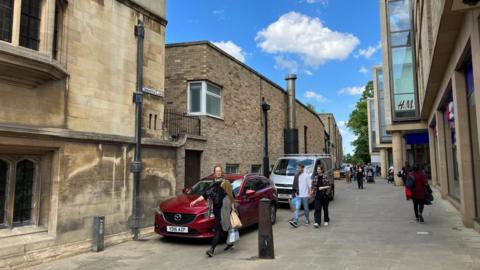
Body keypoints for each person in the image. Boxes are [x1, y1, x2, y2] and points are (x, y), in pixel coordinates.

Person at [190, 165, 235, 257]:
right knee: (224, 227)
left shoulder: (226, 183)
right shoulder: (212, 185)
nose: (218, 172)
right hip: (216, 210)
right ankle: (230, 243)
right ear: (214, 173)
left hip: (224, 210)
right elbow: (205, 195)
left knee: (218, 229)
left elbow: (231, 196)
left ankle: (211, 249)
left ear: (221, 172)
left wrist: (233, 208)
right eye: (216, 171)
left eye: (219, 171)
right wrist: (195, 201)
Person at [289, 163, 312, 227]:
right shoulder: (296, 175)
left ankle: (307, 219)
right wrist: (294, 193)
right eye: (297, 168)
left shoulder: (307, 176)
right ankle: (295, 221)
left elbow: (309, 185)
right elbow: (294, 186)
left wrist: (310, 193)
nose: (297, 169)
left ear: (302, 168)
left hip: (305, 195)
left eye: (299, 168)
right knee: (297, 208)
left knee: (306, 208)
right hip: (298, 195)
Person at [312, 164, 331, 228]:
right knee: (317, 209)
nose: (318, 170)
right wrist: (311, 193)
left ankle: (326, 220)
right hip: (317, 195)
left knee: (325, 209)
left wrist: (322, 188)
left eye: (319, 169)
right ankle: (317, 222)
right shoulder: (315, 177)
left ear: (322, 170)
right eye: (317, 169)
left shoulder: (325, 177)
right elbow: (314, 187)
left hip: (324, 196)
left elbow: (329, 186)